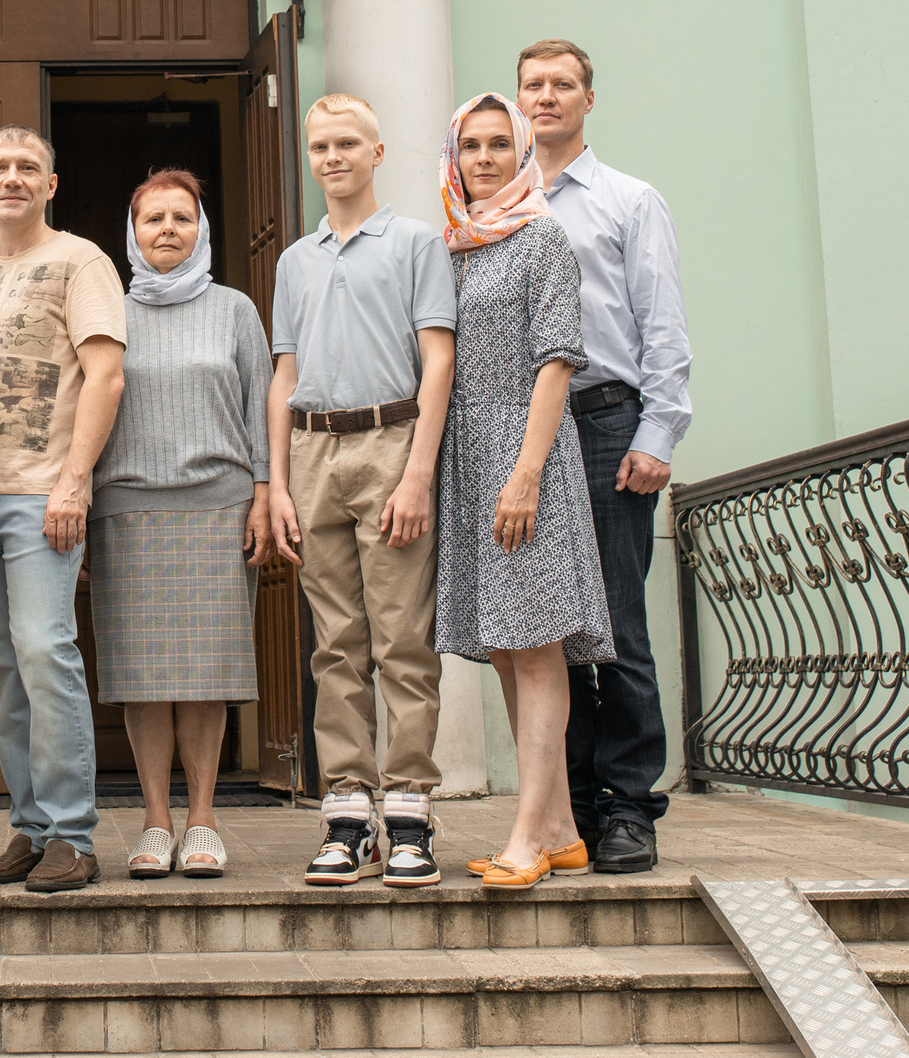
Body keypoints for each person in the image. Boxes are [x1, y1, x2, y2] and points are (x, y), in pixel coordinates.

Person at [0, 126, 127, 894]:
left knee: (45, 652)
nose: (12, 177)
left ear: (51, 183)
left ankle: (74, 834)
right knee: (3, 671)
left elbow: (105, 375)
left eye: (27, 167)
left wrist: (75, 479)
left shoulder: (81, 260)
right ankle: (30, 826)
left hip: (41, 494)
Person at [265, 93, 455, 889]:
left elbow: (438, 359)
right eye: (319, 145)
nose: (332, 156)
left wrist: (418, 470)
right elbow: (284, 374)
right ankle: (347, 814)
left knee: (402, 639)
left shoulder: (415, 243)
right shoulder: (295, 259)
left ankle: (408, 813)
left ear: (378, 152)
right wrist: (276, 483)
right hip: (312, 452)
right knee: (335, 643)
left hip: (390, 443)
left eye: (347, 142)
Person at [429, 92, 616, 891]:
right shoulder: (454, 246)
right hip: (468, 456)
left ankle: (525, 836)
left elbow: (557, 359)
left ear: (521, 152)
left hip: (523, 454)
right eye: (470, 145)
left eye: (499, 144)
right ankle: (562, 826)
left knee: (538, 648)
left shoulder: (543, 237)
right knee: (508, 647)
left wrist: (528, 471)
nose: (484, 158)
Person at [516, 39, 692, 875]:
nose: (545, 98)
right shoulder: (500, 202)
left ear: (589, 98)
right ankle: (572, 801)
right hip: (526, 438)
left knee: (615, 624)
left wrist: (658, 433)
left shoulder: (629, 199)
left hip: (608, 422)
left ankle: (629, 803)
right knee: (552, 626)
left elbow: (663, 326)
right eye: (533, 86)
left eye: (561, 85)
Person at [89, 170, 279, 880]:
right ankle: (153, 820)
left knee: (205, 672)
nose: (167, 229)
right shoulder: (108, 310)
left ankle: (201, 818)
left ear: (203, 228)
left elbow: (263, 406)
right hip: (127, 508)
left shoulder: (234, 310)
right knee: (142, 675)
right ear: (131, 232)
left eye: (182, 217)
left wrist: (264, 493)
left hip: (218, 504)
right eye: (152, 219)